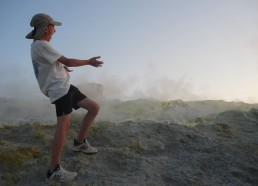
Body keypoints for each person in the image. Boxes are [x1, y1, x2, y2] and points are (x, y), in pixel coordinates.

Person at [25, 13, 103, 183]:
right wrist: (89, 62)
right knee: (64, 126)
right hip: (58, 89)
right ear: (46, 28)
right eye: (53, 27)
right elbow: (68, 60)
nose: (55, 31)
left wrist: (61, 69)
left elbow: (51, 64)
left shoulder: (39, 46)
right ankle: (53, 170)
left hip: (66, 86)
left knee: (94, 107)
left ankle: (79, 142)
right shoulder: (40, 45)